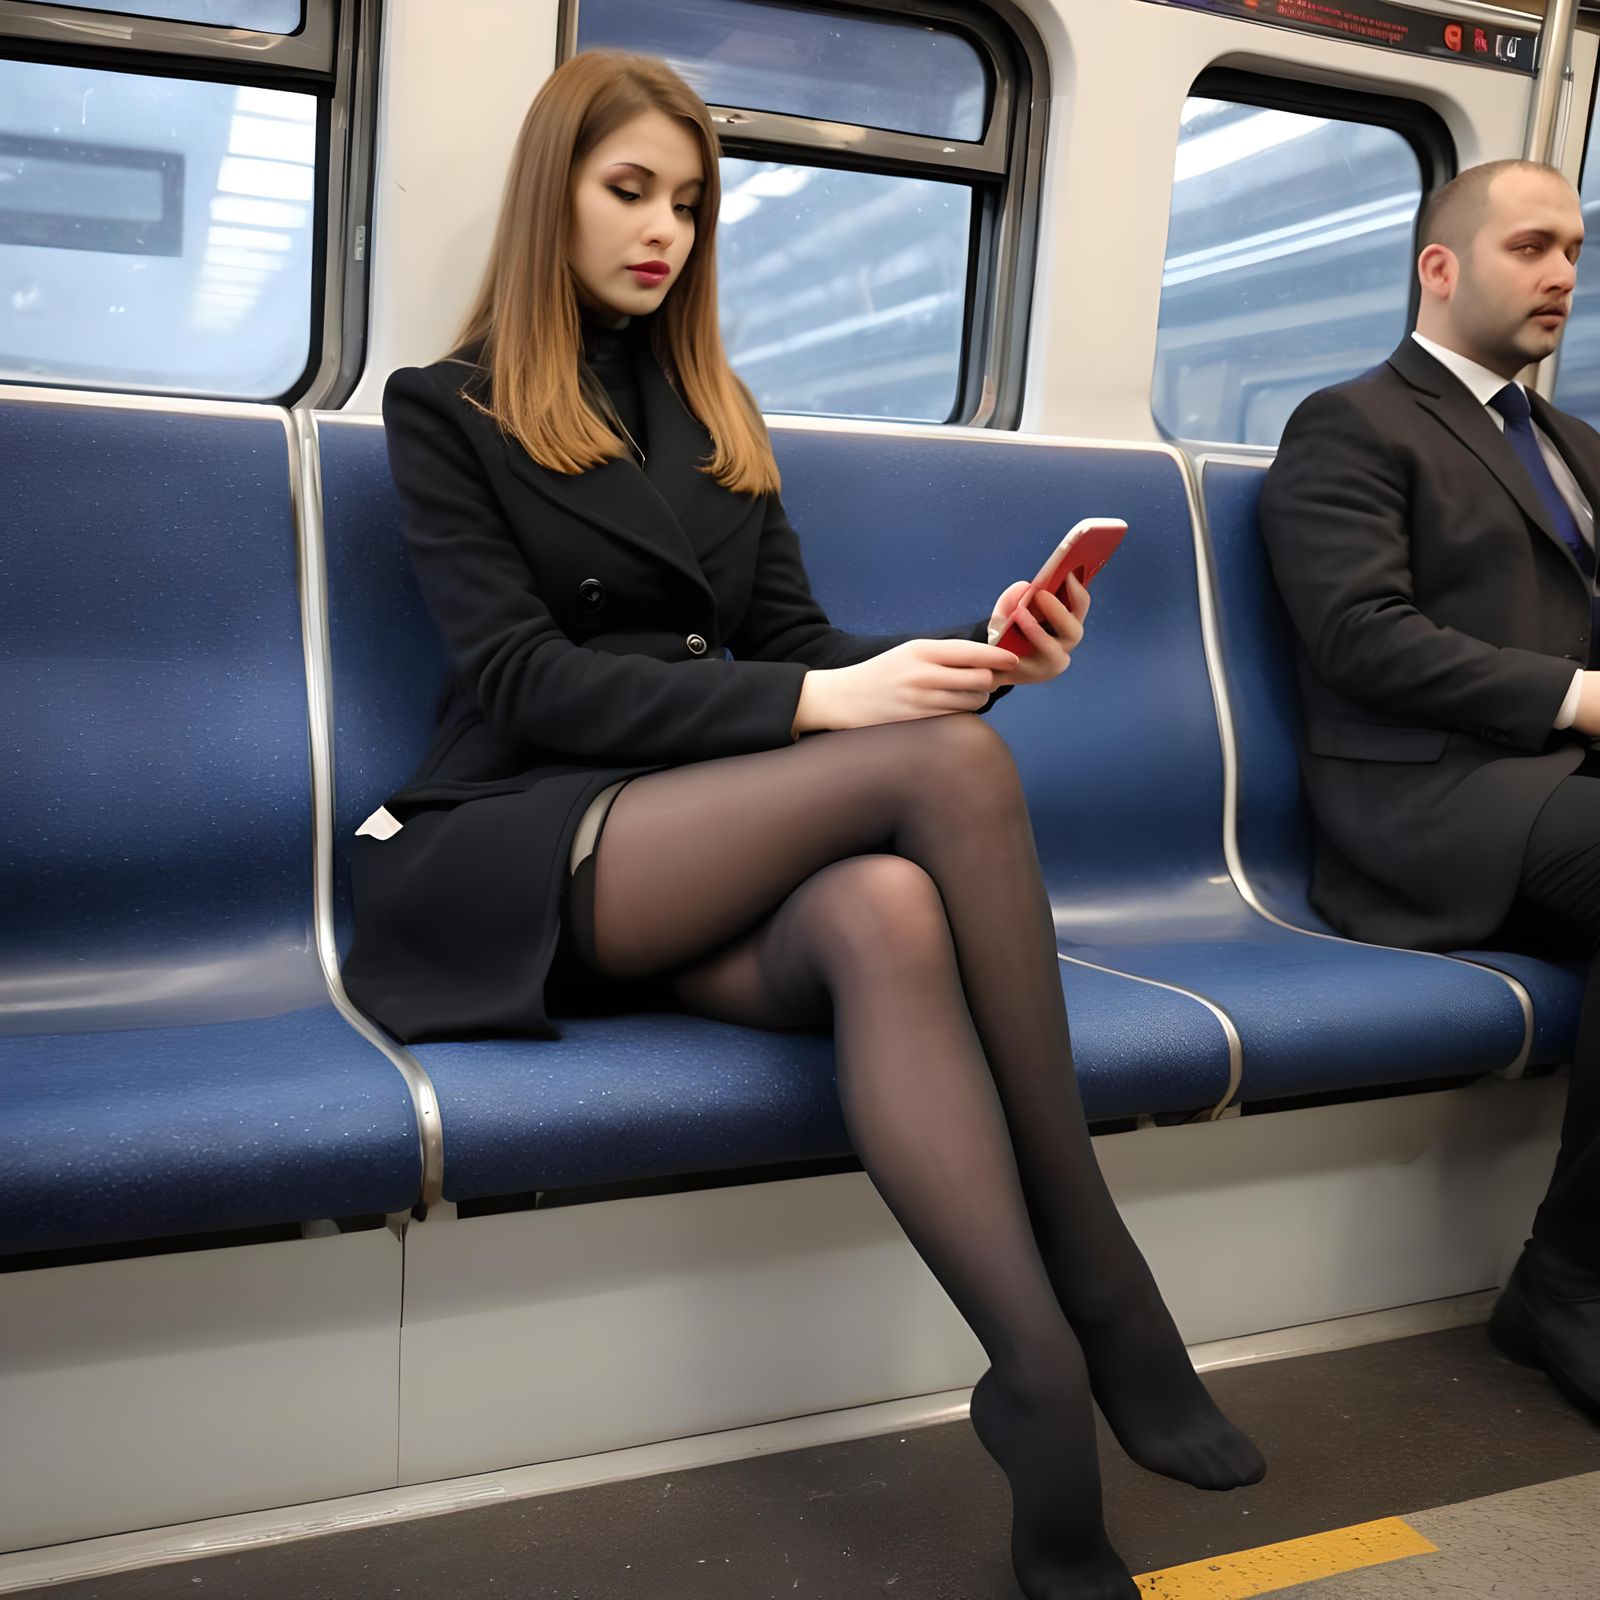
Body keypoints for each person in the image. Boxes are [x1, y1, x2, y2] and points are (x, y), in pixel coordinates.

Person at [342, 50, 1264, 1599]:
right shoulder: (449, 409)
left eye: (691, 206)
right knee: (943, 781)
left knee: (888, 912)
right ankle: (1103, 1278)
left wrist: (974, 659)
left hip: (703, 834)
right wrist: (830, 717)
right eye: (629, 190)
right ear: (549, 193)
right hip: (522, 838)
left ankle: (1031, 1364)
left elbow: (796, 646)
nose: (664, 231)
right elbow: (521, 677)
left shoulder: (717, 412)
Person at [1261, 159, 1600, 1424]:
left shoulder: (1576, 446)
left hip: (1560, 794)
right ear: (1439, 267)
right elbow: (1361, 637)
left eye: (1571, 247)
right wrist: (1574, 697)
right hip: (1431, 805)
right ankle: (1563, 1283)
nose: (1562, 272)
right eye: (1529, 246)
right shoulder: (1353, 422)